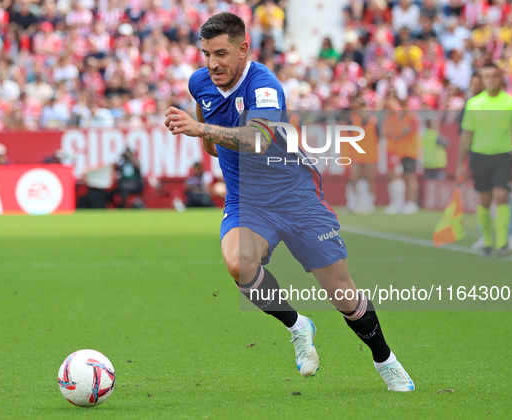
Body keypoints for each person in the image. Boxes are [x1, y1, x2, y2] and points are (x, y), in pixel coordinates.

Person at [164, 12, 413, 392]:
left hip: (296, 197)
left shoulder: (265, 86)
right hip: (248, 201)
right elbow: (212, 146)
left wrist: (200, 129)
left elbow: (259, 139)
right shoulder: (200, 83)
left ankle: (386, 360)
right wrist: (204, 133)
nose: (212, 63)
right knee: (238, 262)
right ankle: (298, 326)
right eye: (206, 54)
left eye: (221, 53)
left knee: (342, 292)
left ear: (243, 49)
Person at [457, 63, 512, 257]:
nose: (490, 80)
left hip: (503, 156)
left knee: (501, 197)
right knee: (484, 200)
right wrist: (460, 163)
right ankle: (487, 241)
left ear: (501, 79)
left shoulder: (511, 103)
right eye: (487, 76)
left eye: (494, 76)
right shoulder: (473, 104)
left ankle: (502, 243)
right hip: (480, 156)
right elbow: (466, 135)